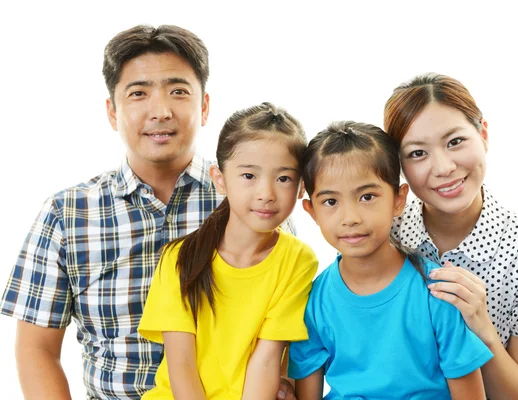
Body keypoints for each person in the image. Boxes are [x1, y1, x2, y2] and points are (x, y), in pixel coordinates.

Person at [0, 25, 296, 400]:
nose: (161, 111)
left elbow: (282, 331)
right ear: (113, 111)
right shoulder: (68, 213)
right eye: (138, 93)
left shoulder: (255, 202)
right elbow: (36, 349)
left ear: (204, 106)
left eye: (178, 92)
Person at [383, 73, 518, 399]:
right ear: (398, 165)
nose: (443, 167)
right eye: (417, 153)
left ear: (483, 133)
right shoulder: (386, 232)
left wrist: (482, 328)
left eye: (455, 141)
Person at [288, 122, 493, 399]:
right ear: (311, 211)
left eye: (367, 196)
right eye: (331, 202)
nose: (351, 217)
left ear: (398, 200)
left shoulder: (437, 292)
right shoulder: (314, 302)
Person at [138, 102, 318, 399]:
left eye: (283, 178)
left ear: (301, 188)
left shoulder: (297, 260)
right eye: (249, 176)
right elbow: (181, 366)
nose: (266, 194)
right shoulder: (178, 259)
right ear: (219, 179)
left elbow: (267, 357)